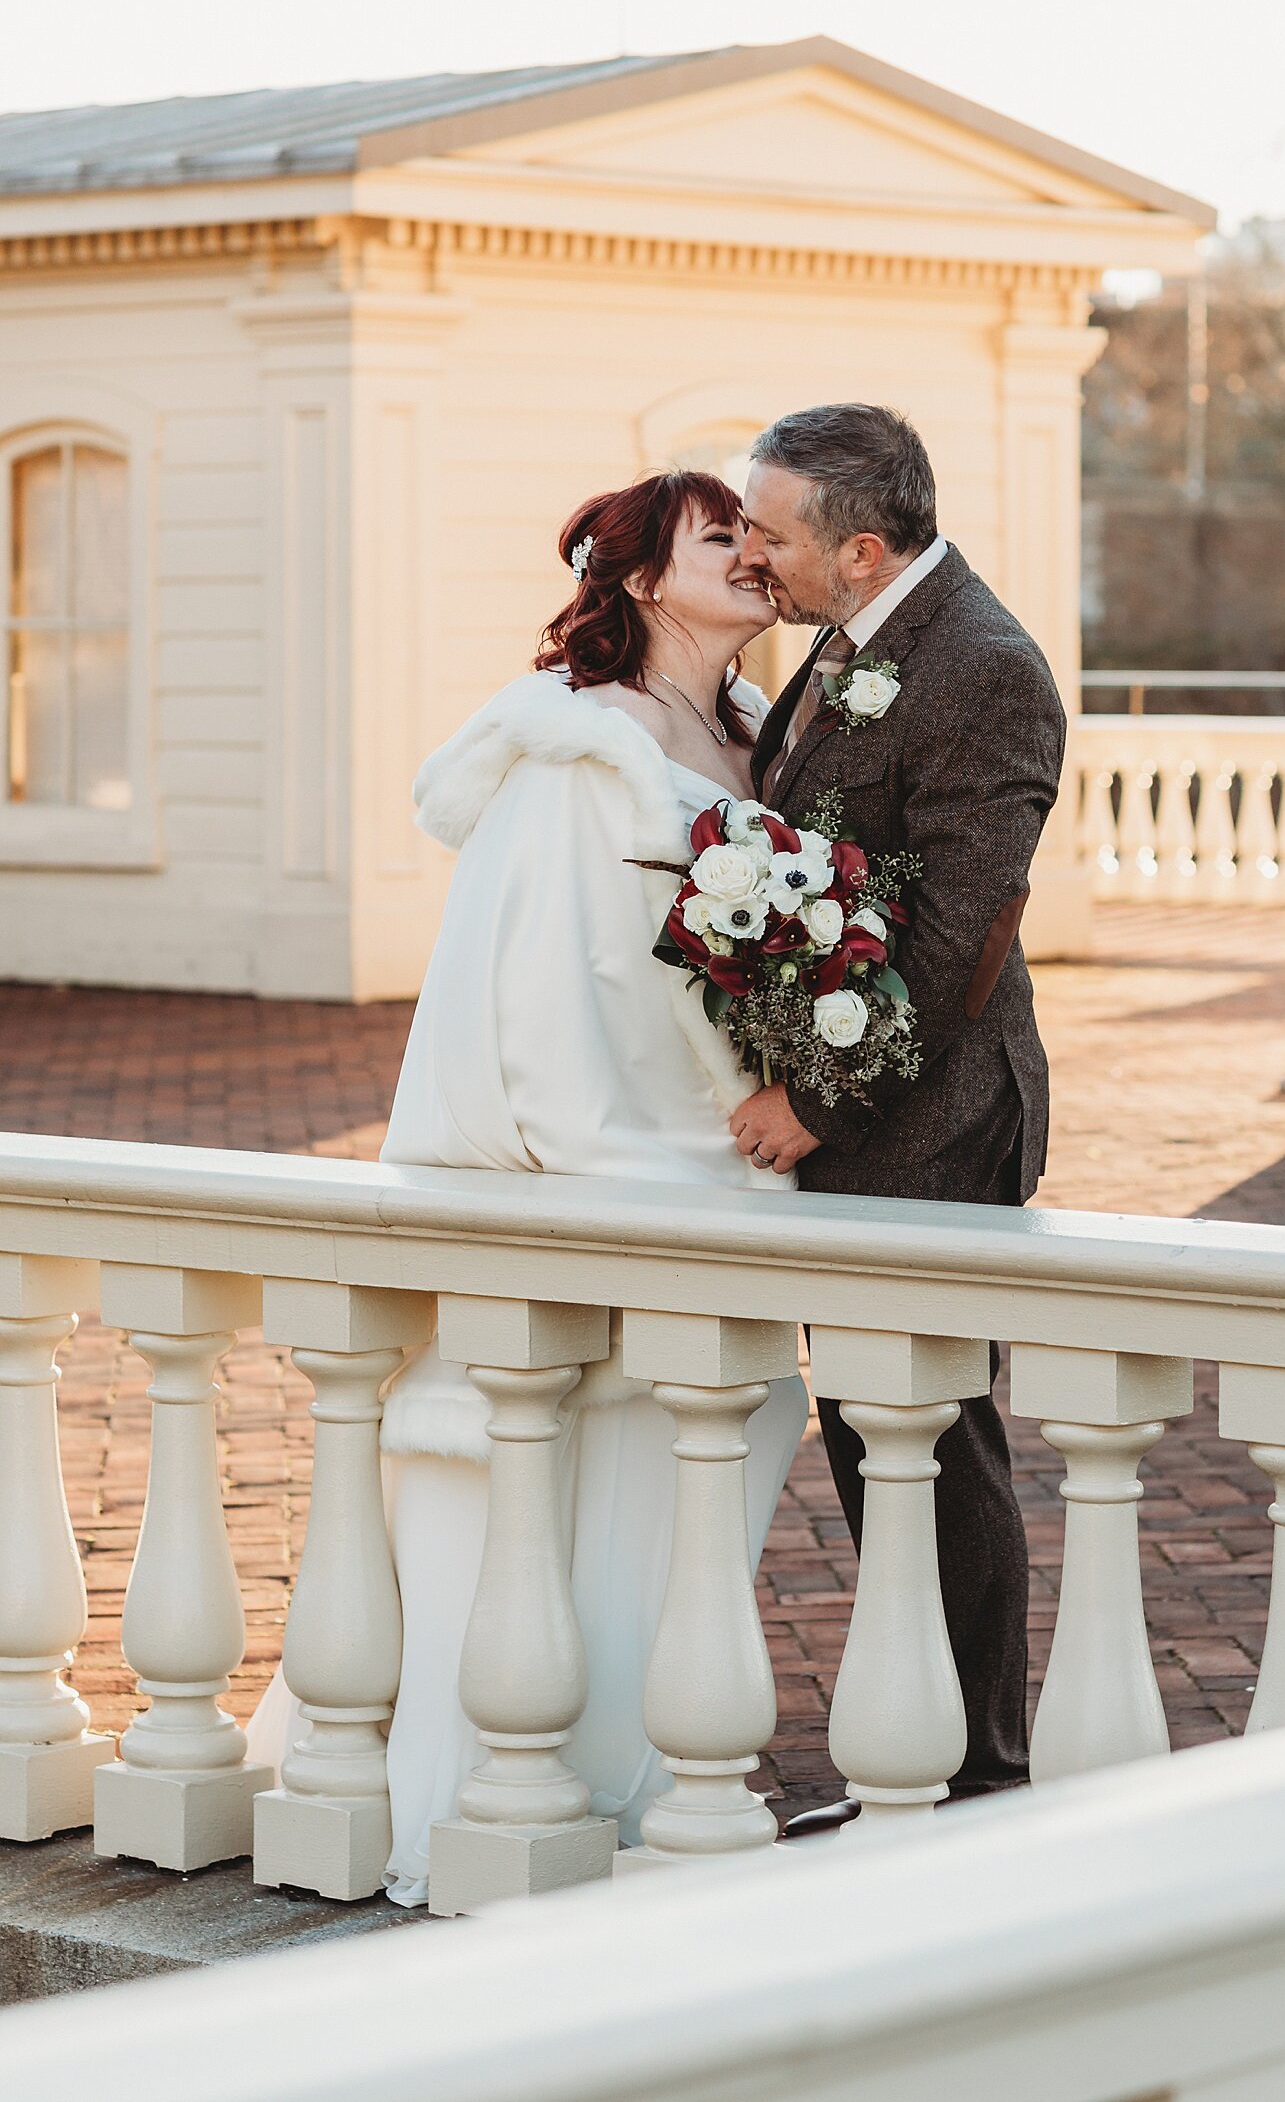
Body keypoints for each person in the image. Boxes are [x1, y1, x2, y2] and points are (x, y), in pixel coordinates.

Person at [248, 471, 808, 1904]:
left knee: (712, 1453)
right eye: (717, 537)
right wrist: (623, 1165)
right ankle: (529, 1798)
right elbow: (539, 987)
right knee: (567, 1474)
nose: (753, 554)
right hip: (621, 1170)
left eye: (759, 533)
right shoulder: (577, 750)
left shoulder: (754, 732)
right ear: (636, 579)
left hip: (730, 1161)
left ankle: (647, 1774)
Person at [731, 403, 1065, 1834]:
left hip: (934, 1115)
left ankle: (982, 1775)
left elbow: (958, 937)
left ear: (861, 550)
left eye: (771, 531)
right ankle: (912, 1751)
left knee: (933, 1427)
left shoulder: (985, 669)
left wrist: (816, 1097)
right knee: (872, 1429)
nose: (752, 553)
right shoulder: (853, 634)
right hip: (864, 1108)